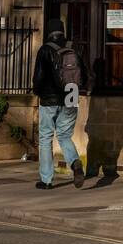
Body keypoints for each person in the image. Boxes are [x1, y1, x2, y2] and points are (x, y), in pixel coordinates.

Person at [32, 19, 89, 189]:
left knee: (45, 137)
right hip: (70, 98)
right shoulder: (74, 48)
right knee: (64, 135)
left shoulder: (45, 50)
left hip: (49, 100)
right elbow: (84, 76)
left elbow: (39, 78)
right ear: (63, 31)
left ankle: (47, 179)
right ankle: (75, 163)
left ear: (49, 32)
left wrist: (37, 91)